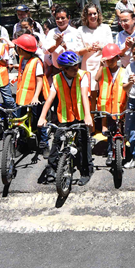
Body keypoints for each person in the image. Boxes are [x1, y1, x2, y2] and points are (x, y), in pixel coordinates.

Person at [38, 51, 95, 186]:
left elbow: (84, 96)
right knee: (57, 140)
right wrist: (42, 117)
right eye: (73, 68)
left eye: (77, 66)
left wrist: (87, 115)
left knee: (83, 142)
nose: (77, 69)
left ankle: (86, 171)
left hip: (80, 115)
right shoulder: (57, 79)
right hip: (64, 115)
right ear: (64, 69)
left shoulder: (83, 76)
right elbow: (50, 99)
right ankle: (51, 169)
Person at [10, 33, 49, 154]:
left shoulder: (37, 62)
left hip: (36, 95)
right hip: (23, 95)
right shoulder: (22, 59)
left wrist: (36, 96)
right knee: (20, 119)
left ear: (22, 49)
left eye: (17, 46)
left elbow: (39, 81)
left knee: (39, 119)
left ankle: (44, 144)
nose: (16, 48)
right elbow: (25, 73)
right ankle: (22, 142)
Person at [95, 43, 129, 152]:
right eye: (108, 60)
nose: (110, 62)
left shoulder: (124, 72)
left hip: (121, 107)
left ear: (118, 58)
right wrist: (101, 66)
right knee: (110, 131)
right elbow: (96, 79)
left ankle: (121, 150)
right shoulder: (104, 71)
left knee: (121, 130)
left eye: (112, 59)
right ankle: (110, 151)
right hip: (108, 108)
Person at [77, 3, 113, 91]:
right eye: (90, 14)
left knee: (104, 92)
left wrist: (101, 47)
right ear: (85, 15)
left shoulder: (105, 28)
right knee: (90, 94)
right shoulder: (81, 30)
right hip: (87, 66)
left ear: (98, 14)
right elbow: (78, 52)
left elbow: (111, 48)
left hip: (103, 65)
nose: (93, 16)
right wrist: (88, 49)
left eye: (95, 13)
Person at [44, 7, 83, 72]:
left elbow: (79, 51)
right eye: (57, 18)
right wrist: (57, 44)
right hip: (57, 69)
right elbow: (46, 51)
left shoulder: (75, 32)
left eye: (63, 18)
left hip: (73, 69)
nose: (60, 20)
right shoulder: (51, 32)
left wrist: (65, 46)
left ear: (68, 18)